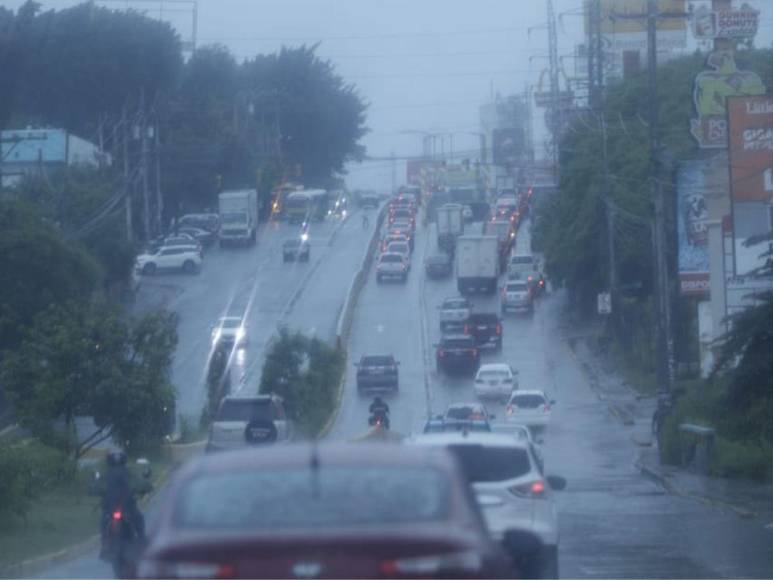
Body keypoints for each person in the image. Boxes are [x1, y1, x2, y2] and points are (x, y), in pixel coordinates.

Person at [96, 451, 149, 557]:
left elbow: (95, 487)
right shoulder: (128, 473)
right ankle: (141, 542)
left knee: (104, 520)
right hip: (123, 508)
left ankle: (105, 544)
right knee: (139, 519)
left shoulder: (106, 475)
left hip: (116, 509)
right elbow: (142, 484)